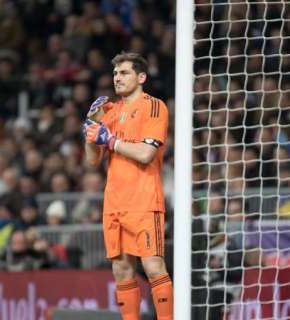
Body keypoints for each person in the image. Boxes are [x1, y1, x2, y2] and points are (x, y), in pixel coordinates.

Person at [83, 52, 172, 320]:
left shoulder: (154, 107)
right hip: (114, 203)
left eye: (124, 73)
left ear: (141, 77)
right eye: (115, 74)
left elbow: (146, 154)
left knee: (153, 265)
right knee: (121, 270)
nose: (117, 78)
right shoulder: (109, 111)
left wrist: (109, 140)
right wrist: (92, 127)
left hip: (143, 200)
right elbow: (92, 161)